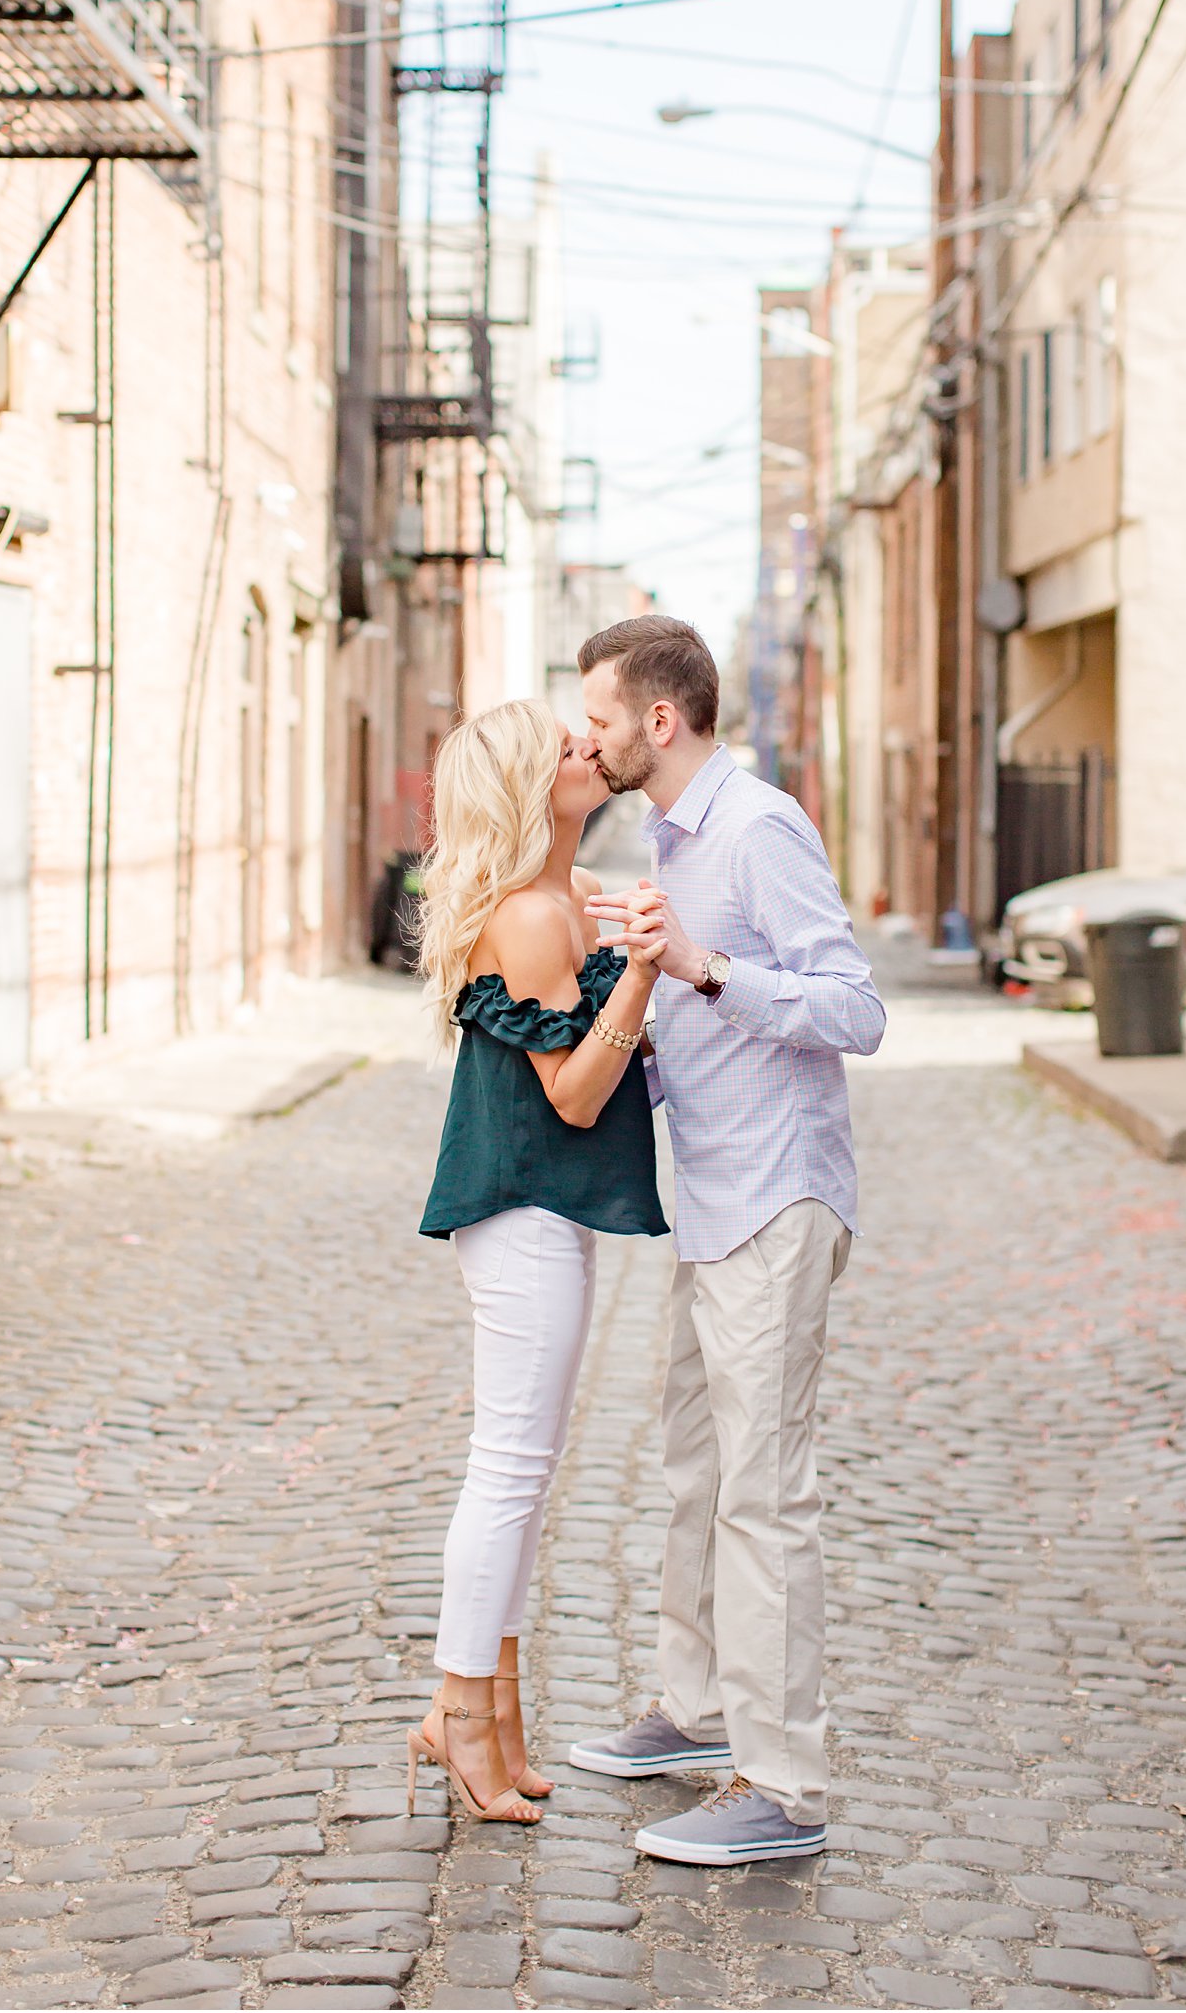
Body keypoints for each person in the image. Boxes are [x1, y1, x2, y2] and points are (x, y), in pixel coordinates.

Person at [569, 613, 886, 1865]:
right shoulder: (660, 835)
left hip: (775, 1196)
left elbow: (854, 1011)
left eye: (596, 718)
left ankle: (784, 1784)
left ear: (659, 719)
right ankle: (697, 1713)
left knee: (762, 1492)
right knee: (695, 1472)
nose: (582, 739)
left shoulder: (756, 828)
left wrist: (699, 969)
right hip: (708, 1199)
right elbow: (688, 1029)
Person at [411, 700, 670, 1826]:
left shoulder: (563, 900)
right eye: (564, 749)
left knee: (526, 1468)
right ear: (528, 789)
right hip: (517, 1205)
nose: (587, 750)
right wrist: (644, 977)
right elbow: (570, 1096)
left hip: (542, 1208)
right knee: (510, 1466)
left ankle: (496, 1714)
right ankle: (458, 1715)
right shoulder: (527, 916)